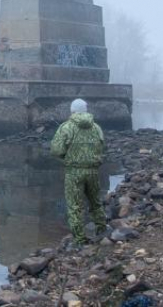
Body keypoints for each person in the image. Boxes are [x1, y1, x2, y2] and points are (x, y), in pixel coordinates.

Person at [50, 98, 106, 246]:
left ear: (72, 111)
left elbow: (56, 150)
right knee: (96, 203)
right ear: (86, 110)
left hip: (74, 172)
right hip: (93, 171)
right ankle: (102, 231)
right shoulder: (97, 128)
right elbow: (101, 147)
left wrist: (66, 158)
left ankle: (80, 240)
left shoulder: (66, 127)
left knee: (75, 207)